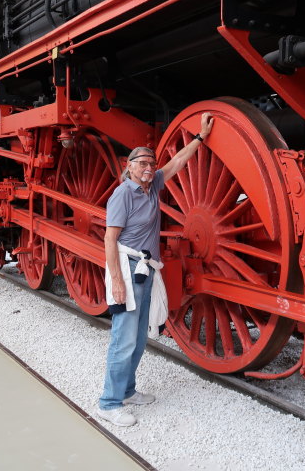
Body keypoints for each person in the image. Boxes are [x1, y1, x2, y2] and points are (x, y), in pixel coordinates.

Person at [97, 112, 214, 426]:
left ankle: (128, 390)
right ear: (129, 167)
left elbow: (176, 162)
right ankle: (109, 403)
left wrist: (200, 138)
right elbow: (109, 239)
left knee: (138, 336)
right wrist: (117, 283)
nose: (148, 168)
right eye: (142, 164)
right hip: (128, 266)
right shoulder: (123, 195)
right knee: (123, 338)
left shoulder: (153, 185)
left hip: (146, 269)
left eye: (151, 164)